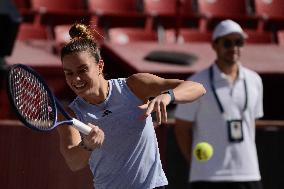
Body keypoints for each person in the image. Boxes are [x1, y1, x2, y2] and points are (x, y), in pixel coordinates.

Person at [56, 23, 206, 189]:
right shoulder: (71, 114)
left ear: (100, 66)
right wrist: (88, 145)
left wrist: (167, 96)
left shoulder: (133, 86)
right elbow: (73, 162)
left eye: (82, 70)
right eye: (69, 73)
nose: (76, 79)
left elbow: (198, 88)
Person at [174, 19, 264, 189]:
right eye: (227, 42)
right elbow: (181, 128)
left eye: (238, 42)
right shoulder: (196, 83)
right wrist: (198, 165)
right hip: (207, 176)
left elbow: (251, 124)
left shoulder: (255, 81)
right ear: (214, 46)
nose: (234, 47)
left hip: (249, 173)